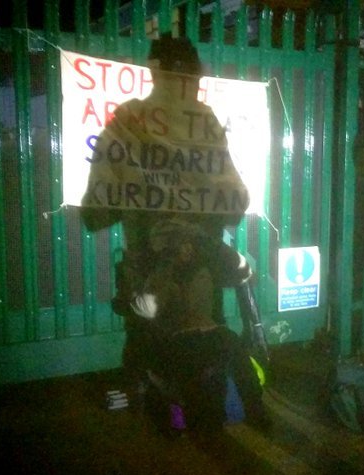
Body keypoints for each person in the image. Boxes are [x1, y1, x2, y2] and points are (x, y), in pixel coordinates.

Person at [81, 33, 266, 432]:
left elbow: (94, 215)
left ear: (153, 71)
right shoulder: (202, 123)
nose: (192, 87)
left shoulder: (132, 121)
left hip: (157, 279)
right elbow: (236, 202)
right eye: (191, 78)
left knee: (166, 372)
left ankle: (171, 418)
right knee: (192, 371)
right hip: (184, 278)